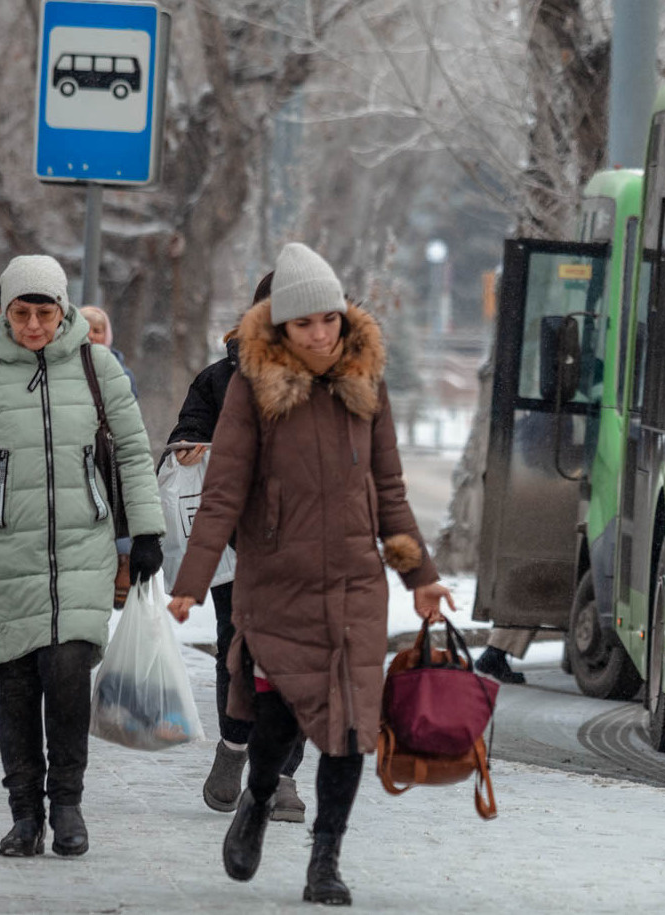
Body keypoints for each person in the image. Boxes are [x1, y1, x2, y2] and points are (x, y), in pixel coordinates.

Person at [168, 242, 452, 907]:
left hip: (355, 588)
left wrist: (423, 578)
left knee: (351, 729)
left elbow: (390, 492)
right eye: (305, 324)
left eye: (329, 319)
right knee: (274, 725)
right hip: (277, 585)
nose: (321, 334)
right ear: (281, 327)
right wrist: (191, 580)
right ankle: (258, 797)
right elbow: (223, 494)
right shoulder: (248, 388)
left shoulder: (366, 385)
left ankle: (325, 859)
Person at [0, 255, 167, 860]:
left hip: (83, 546)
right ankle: (24, 814)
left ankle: (68, 804)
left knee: (66, 669)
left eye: (45, 312)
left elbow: (134, 454)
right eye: (21, 313)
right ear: (4, 312)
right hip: (4, 550)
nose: (33, 325)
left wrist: (146, 534)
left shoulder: (98, 367)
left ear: (63, 312)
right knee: (16, 682)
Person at [166, 272, 308, 822]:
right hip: (238, 547)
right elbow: (188, 435)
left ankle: (284, 777)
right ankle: (235, 745)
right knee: (241, 655)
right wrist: (190, 447)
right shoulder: (220, 379)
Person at [80, 306, 140, 608]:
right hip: (79, 452)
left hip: (110, 453)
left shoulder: (120, 370)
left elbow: (130, 417)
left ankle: (123, 563)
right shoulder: (66, 369)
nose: (92, 335)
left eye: (99, 329)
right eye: (86, 328)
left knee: (117, 506)